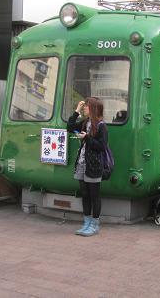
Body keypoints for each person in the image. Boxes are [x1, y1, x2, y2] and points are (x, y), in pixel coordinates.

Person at [67, 97, 109, 236]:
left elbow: (102, 147)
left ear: (93, 108)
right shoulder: (85, 123)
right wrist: (76, 111)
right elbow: (70, 127)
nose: (84, 108)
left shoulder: (102, 126)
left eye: (86, 106)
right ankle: (86, 223)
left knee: (94, 195)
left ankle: (95, 225)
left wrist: (87, 138)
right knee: (85, 195)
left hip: (94, 166)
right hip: (82, 163)